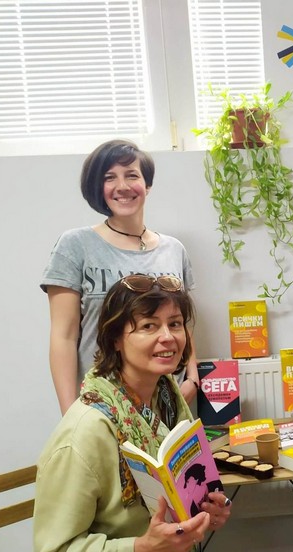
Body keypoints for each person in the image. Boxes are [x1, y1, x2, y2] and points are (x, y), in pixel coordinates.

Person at [27, 275, 231, 552]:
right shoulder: (83, 434)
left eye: (175, 324)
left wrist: (208, 509)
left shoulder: (168, 399)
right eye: (149, 326)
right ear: (115, 339)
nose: (168, 337)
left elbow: (187, 492)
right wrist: (142, 549)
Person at [41, 140, 199, 415]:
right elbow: (63, 336)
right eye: (109, 177)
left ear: (147, 185)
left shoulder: (174, 249)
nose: (122, 186)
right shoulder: (75, 245)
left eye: (132, 175)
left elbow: (180, 323)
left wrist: (192, 379)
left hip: (168, 404)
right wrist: (71, 413)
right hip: (103, 405)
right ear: (97, 187)